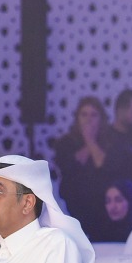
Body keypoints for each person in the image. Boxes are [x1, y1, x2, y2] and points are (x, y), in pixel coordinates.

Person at [52, 96, 116, 231]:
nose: (89, 119)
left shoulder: (110, 142)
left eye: (94, 115)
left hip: (102, 205)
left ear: (101, 119)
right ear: (77, 118)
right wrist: (89, 141)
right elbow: (70, 166)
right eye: (84, 114)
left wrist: (90, 140)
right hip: (72, 202)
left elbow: (103, 166)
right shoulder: (65, 143)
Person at [89, 179, 132, 243]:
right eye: (108, 201)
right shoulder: (99, 234)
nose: (112, 207)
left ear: (131, 202)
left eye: (118, 200)